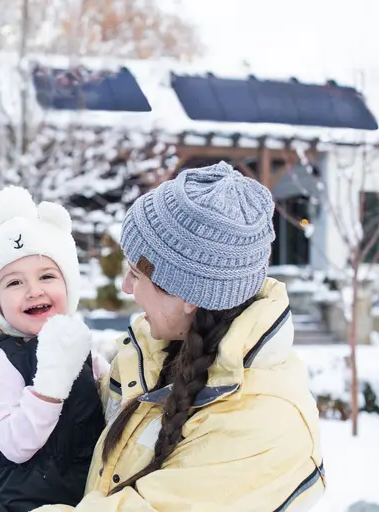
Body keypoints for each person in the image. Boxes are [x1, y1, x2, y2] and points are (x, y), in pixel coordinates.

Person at [34, 161, 325, 512]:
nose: (126, 288)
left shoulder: (265, 422)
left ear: (188, 295)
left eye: (135, 275)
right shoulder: (150, 354)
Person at [0, 185, 107, 512]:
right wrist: (50, 387)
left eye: (47, 276)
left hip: (82, 497)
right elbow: (14, 445)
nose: (34, 291)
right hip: (17, 503)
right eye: (14, 282)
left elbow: (115, 405)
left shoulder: (81, 350)